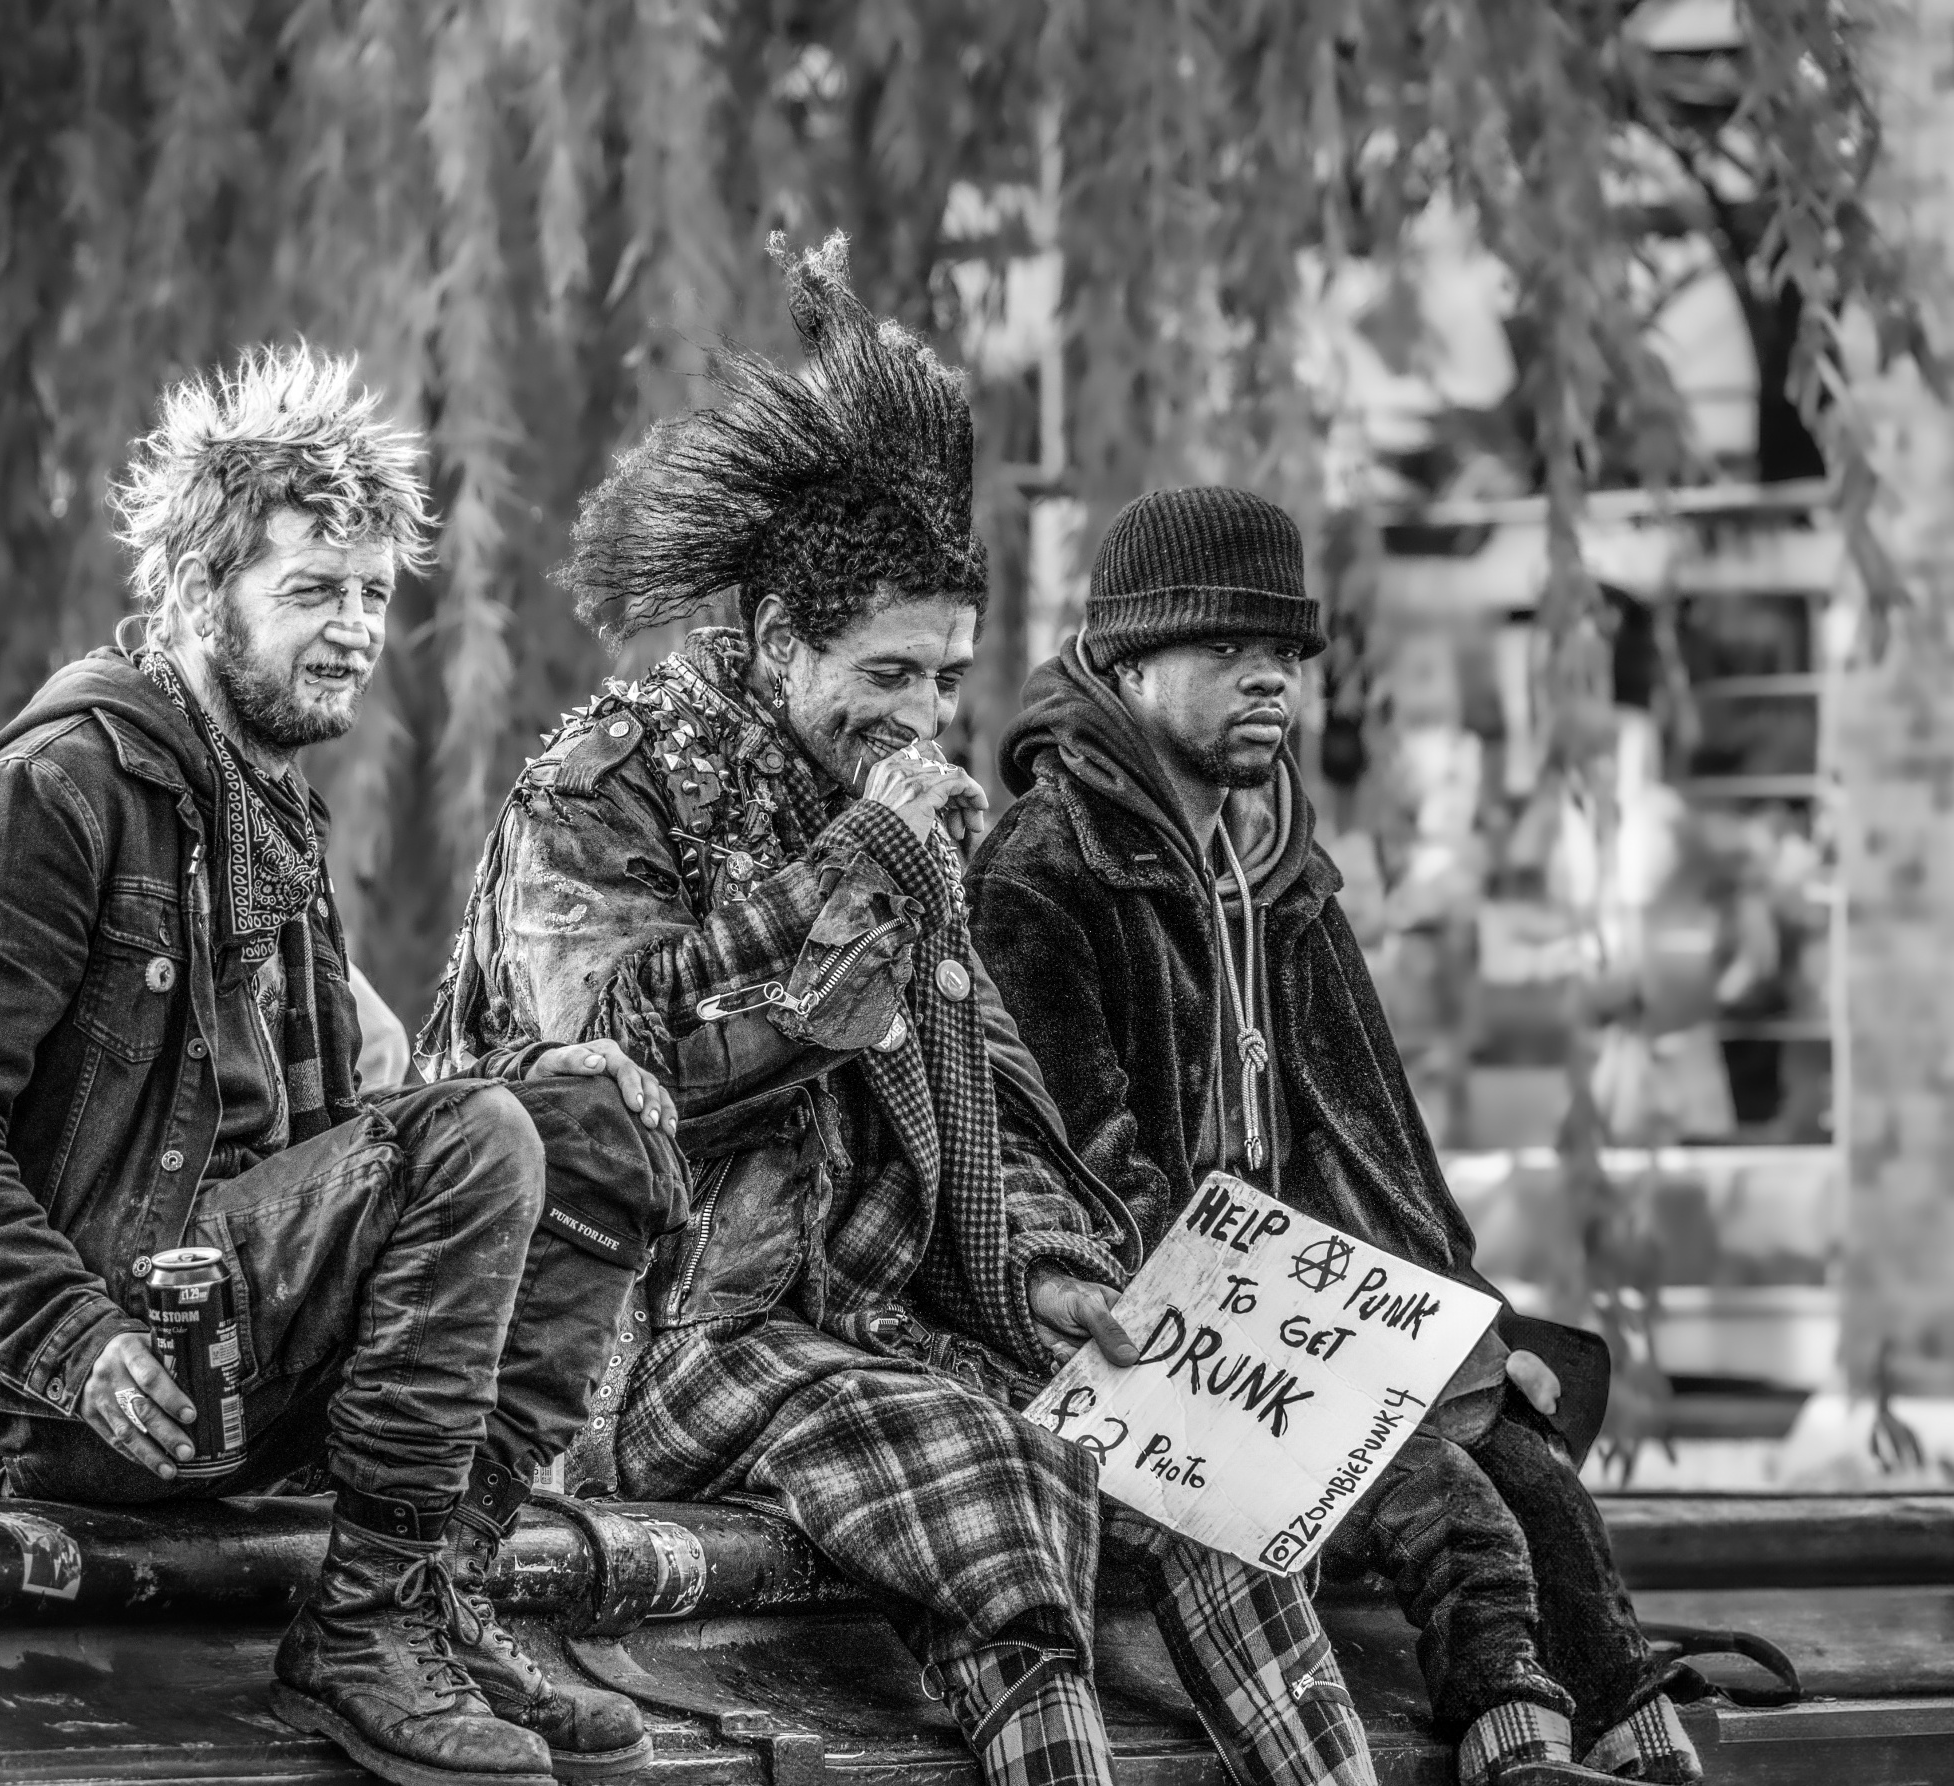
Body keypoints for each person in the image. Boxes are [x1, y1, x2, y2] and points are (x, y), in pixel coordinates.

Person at [419, 237, 1381, 1786]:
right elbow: (602, 1061)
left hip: (855, 1317)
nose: (925, 716)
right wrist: (848, 870)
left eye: (945, 678)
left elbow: (987, 1080)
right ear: (777, 643)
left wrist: (1052, 1274)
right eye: (889, 673)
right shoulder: (602, 787)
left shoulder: (888, 799)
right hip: (637, 1337)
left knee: (1199, 1478)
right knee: (983, 1469)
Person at [0, 345, 687, 1786]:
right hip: (96, 1378)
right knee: (482, 1135)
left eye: (372, 595)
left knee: (602, 1128)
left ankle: (432, 1589)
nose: (354, 630)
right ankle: (364, 1634)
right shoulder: (57, 791)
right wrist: (75, 1343)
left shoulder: (267, 808)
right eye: (312, 591)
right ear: (195, 590)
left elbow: (351, 1152)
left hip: (235, 1331)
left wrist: (536, 1081)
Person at [968, 487, 1703, 1786]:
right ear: (1129, 662)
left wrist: (1465, 1322)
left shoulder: (1283, 871)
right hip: (1151, 1327)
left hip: (1307, 1306)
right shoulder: (1041, 872)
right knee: (1446, 1493)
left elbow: (1373, 1145)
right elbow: (1077, 1176)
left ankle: (1640, 1747)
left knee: (1521, 1444)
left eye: (1286, 652)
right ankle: (1515, 1736)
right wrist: (1335, 1343)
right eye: (1228, 647)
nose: (1272, 678)